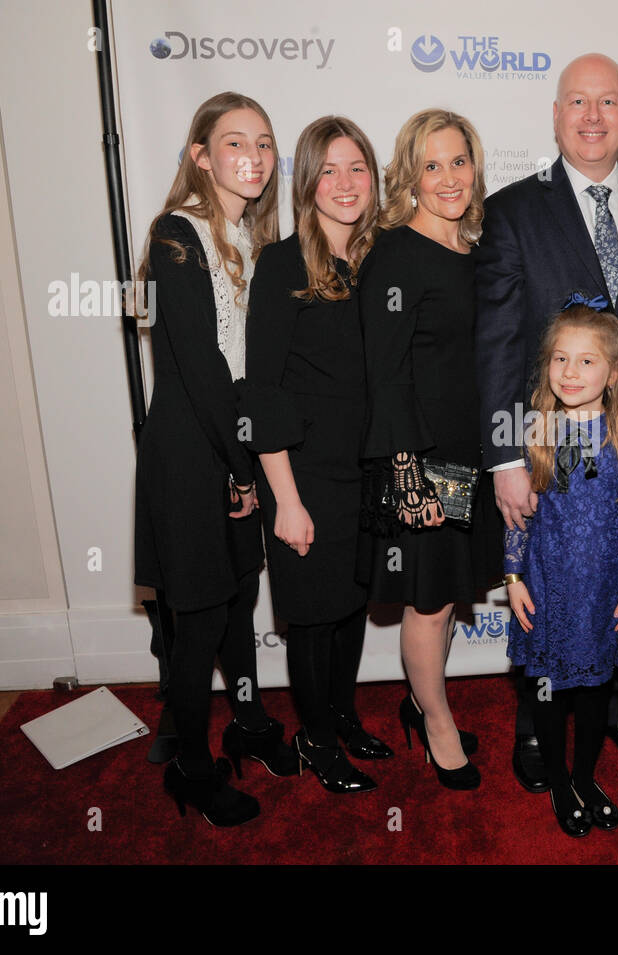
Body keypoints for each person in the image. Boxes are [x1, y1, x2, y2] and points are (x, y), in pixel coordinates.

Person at [475, 52, 618, 790]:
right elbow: (500, 343)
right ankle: (539, 720)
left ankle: (610, 709)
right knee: (552, 578)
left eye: (609, 101)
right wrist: (507, 459)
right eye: (578, 101)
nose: (593, 116)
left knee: (610, 578)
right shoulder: (512, 209)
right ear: (556, 114)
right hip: (546, 446)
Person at [134, 92, 297, 826]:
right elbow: (201, 370)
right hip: (192, 454)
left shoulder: (250, 237)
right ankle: (194, 773)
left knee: (236, 600)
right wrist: (240, 471)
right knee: (199, 619)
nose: (254, 157)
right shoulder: (177, 235)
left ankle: (249, 719)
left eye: (264, 143)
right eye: (235, 143)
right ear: (200, 155)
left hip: (230, 439)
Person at [240, 116, 389, 797]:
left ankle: (342, 716)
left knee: (350, 604)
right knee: (312, 613)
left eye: (356, 166)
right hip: (300, 473)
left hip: (364, 470)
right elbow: (263, 393)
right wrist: (287, 500)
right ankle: (316, 740)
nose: (345, 182)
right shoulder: (280, 263)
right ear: (306, 182)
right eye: (328, 169)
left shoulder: (379, 261)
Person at [358, 109, 500, 790]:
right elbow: (385, 373)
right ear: (410, 175)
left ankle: (423, 703)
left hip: (471, 453)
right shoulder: (395, 252)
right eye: (433, 164)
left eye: (459, 160)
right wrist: (408, 473)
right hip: (425, 459)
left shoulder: (475, 251)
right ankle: (436, 723)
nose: (449, 177)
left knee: (446, 592)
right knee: (431, 601)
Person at [504, 301, 618, 836]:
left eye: (587, 362)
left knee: (596, 692)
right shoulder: (536, 431)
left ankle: (586, 777)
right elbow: (518, 514)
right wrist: (513, 578)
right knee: (548, 691)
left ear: (614, 373)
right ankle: (558, 781)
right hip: (548, 588)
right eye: (561, 359)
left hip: (607, 591)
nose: (570, 373)